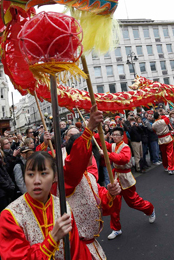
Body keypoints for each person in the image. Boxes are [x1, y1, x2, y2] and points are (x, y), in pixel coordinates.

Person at [0, 151, 93, 259]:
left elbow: (76, 252)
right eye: (30, 174)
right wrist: (52, 239)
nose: (36, 181)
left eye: (43, 173)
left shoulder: (63, 207)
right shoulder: (11, 215)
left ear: (55, 177)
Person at [60, 107, 121, 259]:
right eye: (88, 149)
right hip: (77, 249)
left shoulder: (89, 176)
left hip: (91, 245)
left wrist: (111, 193)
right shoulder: (68, 177)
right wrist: (89, 129)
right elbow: (76, 161)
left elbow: (102, 204)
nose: (90, 153)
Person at [103, 127, 155, 240]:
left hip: (126, 178)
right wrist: (92, 129)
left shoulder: (125, 147)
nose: (115, 137)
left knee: (133, 202)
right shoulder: (112, 146)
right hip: (116, 178)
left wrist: (108, 154)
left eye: (117, 135)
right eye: (113, 135)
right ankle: (116, 229)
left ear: (122, 136)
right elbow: (102, 142)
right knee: (114, 204)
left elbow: (123, 159)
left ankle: (150, 210)